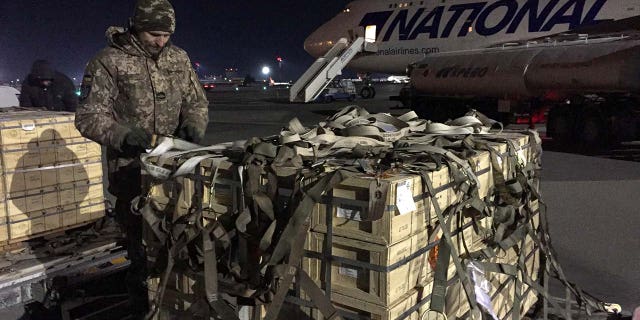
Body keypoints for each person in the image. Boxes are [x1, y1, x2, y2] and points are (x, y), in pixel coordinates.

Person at [74, 0, 209, 317]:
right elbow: (88, 118)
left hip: (176, 170)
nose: (160, 41)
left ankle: (178, 306)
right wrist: (124, 135)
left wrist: (195, 124)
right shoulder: (109, 61)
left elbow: (197, 102)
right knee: (142, 252)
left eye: (165, 35)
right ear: (136, 26)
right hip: (131, 173)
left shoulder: (179, 57)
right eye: (153, 34)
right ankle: (143, 309)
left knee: (182, 243)